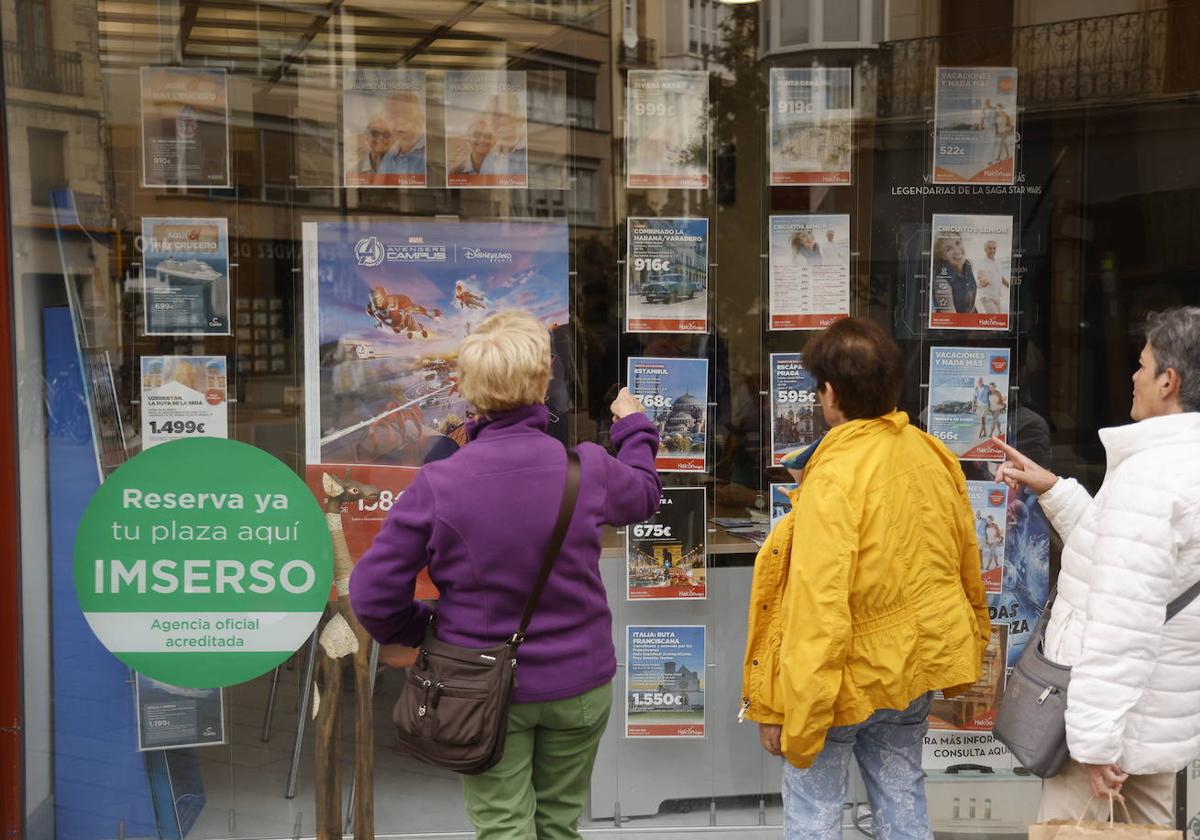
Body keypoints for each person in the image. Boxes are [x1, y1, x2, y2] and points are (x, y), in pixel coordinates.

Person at [349, 310, 662, 839]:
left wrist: (422, 631)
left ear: (468, 393)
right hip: (578, 683)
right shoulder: (586, 468)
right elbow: (645, 493)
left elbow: (373, 593)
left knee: (503, 827)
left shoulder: (440, 482)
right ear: (544, 383)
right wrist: (633, 427)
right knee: (559, 823)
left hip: (476, 681)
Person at [741, 317, 990, 840]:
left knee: (816, 813)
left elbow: (817, 612)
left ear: (830, 392)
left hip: (842, 680)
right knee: (902, 798)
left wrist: (788, 711)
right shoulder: (930, 452)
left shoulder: (835, 475)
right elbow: (967, 564)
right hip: (911, 670)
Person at [995, 307, 1200, 826]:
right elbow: (1125, 562)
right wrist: (1054, 488)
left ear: (1168, 382)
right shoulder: (1181, 469)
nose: (1133, 377)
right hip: (1153, 715)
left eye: (1142, 364)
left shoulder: (1150, 477)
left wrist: (1095, 741)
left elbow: (1120, 622)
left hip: (1112, 731)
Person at [931, 232, 977, 313]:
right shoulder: (941, 281)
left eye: (957, 243)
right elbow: (950, 318)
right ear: (942, 256)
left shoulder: (968, 264)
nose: (957, 251)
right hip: (958, 323)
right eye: (948, 249)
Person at [974, 240, 1010, 315]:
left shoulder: (997, 262)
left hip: (997, 296)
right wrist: (983, 280)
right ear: (985, 249)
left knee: (998, 321)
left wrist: (1009, 285)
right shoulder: (982, 263)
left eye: (994, 248)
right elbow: (980, 275)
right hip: (986, 297)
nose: (992, 250)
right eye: (990, 248)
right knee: (995, 317)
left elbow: (1000, 277)